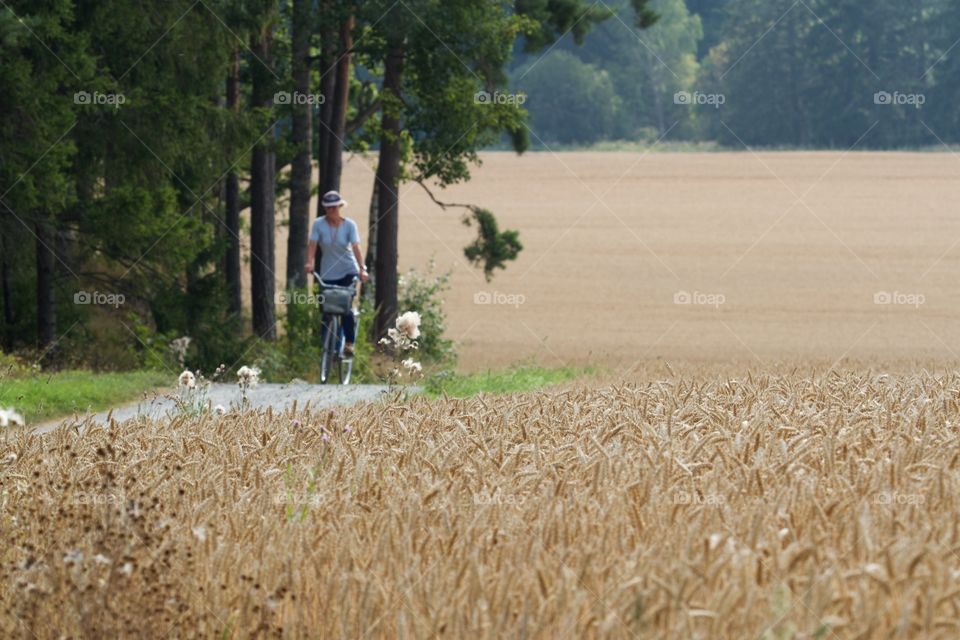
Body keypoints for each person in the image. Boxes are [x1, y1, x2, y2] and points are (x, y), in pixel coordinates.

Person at [304, 190, 369, 357]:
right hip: (328, 273)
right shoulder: (318, 224)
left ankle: (349, 343)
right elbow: (312, 244)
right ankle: (329, 347)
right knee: (327, 309)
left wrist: (362, 268)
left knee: (345, 308)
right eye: (328, 208)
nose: (331, 210)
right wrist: (309, 262)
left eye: (334, 207)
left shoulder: (349, 225)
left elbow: (356, 247)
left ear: (340, 206)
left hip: (348, 270)